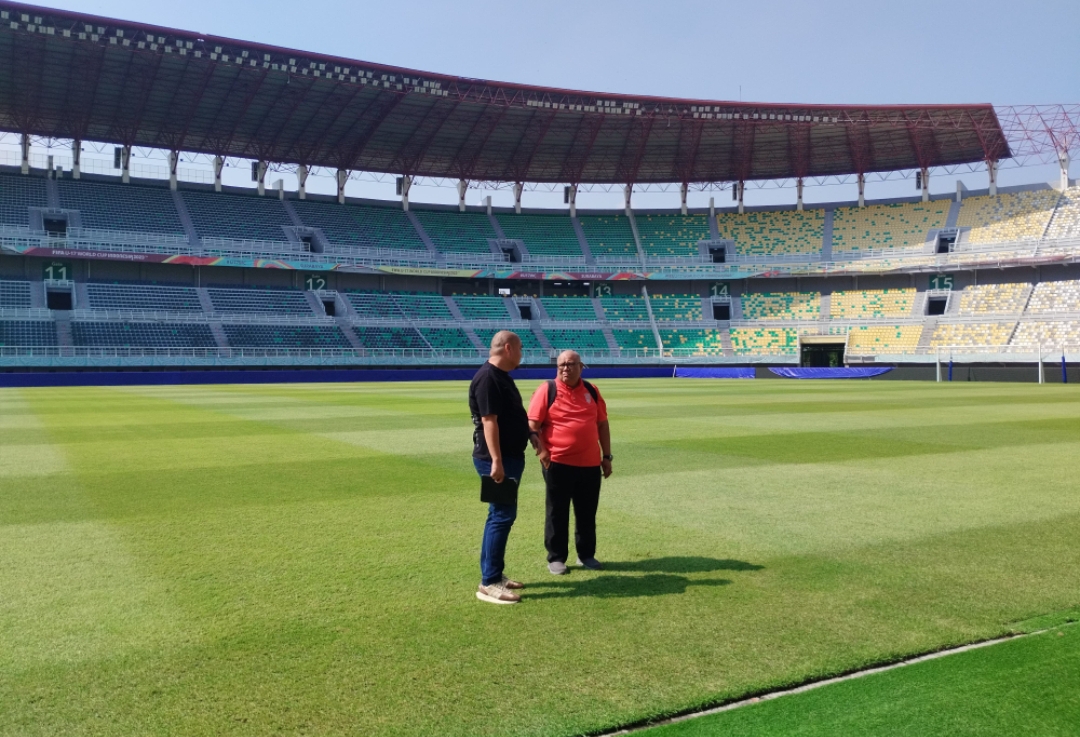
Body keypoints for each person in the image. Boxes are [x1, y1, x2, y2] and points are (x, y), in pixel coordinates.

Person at [469, 330, 544, 604]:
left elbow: (514, 416)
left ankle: (494, 574)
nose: (522, 353)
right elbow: (489, 422)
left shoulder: (502, 377)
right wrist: (497, 461)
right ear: (509, 348)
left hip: (509, 456)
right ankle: (489, 582)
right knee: (501, 516)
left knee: (501, 515)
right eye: (520, 348)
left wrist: (531, 434)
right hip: (497, 459)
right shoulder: (489, 378)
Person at [528, 350, 612, 575]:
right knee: (557, 512)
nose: (565, 368)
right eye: (561, 365)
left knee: (587, 512)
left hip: (590, 463)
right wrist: (542, 453)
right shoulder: (547, 389)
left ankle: (586, 555)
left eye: (570, 364)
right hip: (558, 462)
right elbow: (532, 426)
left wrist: (607, 456)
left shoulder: (592, 391)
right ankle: (556, 558)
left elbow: (602, 424)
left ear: (581, 367)